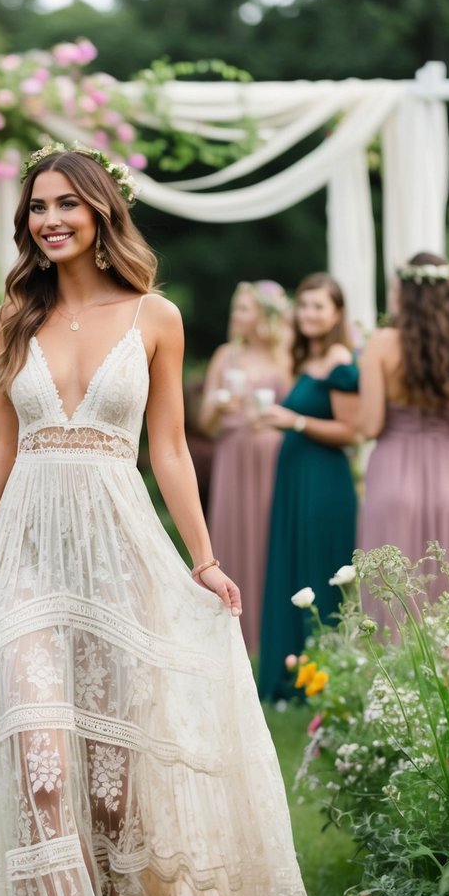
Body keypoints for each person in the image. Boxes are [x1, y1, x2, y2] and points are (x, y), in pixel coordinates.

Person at [0, 145, 319, 896]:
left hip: (117, 548)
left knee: (108, 768)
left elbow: (168, 449)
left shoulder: (155, 317)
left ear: (101, 212)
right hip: (27, 550)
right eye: (36, 208)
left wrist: (204, 558)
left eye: (66, 203)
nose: (49, 219)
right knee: (40, 757)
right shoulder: (12, 319)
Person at [357, 253, 449, 609]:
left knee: (389, 586)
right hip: (447, 473)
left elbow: (369, 425)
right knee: (444, 583)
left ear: (405, 293)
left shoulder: (382, 344)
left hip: (391, 471)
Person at [257, 274, 359, 703]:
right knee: (292, 567)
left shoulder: (340, 361)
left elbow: (351, 430)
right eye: (304, 305)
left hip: (323, 482)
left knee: (317, 570)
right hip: (295, 480)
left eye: (319, 306)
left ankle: (322, 681)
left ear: (336, 313)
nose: (310, 313)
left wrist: (294, 421)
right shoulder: (306, 359)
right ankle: (288, 675)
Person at [198, 280, 291, 653]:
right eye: (236, 308)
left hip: (272, 455)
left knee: (272, 538)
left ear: (264, 317)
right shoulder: (225, 356)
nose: (236, 316)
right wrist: (220, 407)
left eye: (244, 309)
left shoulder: (284, 357)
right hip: (233, 454)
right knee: (234, 533)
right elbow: (205, 423)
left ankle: (272, 634)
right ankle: (234, 633)